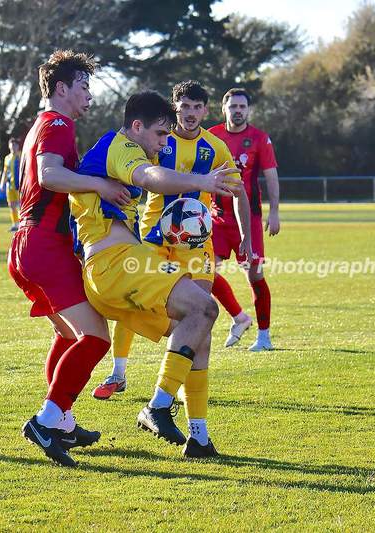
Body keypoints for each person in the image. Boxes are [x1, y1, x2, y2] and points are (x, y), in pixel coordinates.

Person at [71, 90, 242, 458]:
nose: (165, 142)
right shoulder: (123, 148)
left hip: (111, 270)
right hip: (118, 263)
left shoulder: (118, 150)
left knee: (198, 330)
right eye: (161, 134)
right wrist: (201, 182)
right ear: (137, 126)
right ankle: (158, 405)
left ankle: (199, 438)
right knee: (205, 308)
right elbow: (150, 176)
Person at [8, 50, 132, 467]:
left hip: (28, 245)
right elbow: (49, 175)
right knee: (96, 339)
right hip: (45, 245)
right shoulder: (58, 123)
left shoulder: (40, 124)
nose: (89, 96)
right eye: (84, 87)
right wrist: (100, 185)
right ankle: (46, 420)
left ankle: (62, 421)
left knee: (67, 335)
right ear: (61, 89)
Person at [91, 80, 252, 401]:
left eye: (197, 107)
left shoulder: (215, 147)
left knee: (200, 311)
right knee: (133, 300)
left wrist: (246, 233)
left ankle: (176, 385)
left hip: (196, 243)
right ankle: (118, 373)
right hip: (154, 235)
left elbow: (239, 191)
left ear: (206, 111)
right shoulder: (154, 141)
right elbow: (136, 172)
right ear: (175, 108)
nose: (190, 113)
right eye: (185, 106)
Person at [208, 88, 280, 351]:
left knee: (255, 274)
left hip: (248, 220)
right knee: (203, 272)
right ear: (224, 109)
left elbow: (271, 176)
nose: (238, 111)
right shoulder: (211, 136)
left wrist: (274, 211)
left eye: (242, 107)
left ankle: (264, 337)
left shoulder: (260, 139)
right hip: (216, 219)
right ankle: (240, 317)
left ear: (248, 110)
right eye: (233, 106)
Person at [0, 138, 21, 231]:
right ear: (9, 146)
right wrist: (2, 183)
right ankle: (15, 224)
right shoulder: (7, 158)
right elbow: (5, 172)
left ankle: (22, 224)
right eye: (12, 146)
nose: (13, 147)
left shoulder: (21, 156)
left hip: (19, 185)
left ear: (18, 146)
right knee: (11, 205)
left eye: (15, 145)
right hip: (10, 185)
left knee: (20, 205)